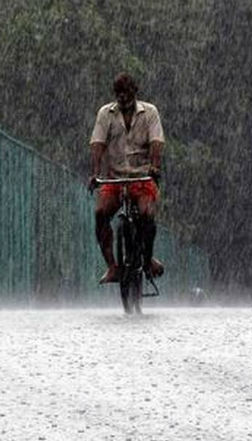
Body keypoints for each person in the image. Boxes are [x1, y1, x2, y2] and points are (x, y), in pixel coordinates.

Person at [88, 72, 165, 284]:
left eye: (127, 93)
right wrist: (95, 173)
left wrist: (155, 167)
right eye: (119, 94)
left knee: (147, 215)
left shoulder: (149, 113)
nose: (122, 98)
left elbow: (156, 142)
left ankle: (147, 259)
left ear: (135, 93)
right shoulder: (106, 114)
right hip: (115, 179)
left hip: (142, 177)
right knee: (100, 214)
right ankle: (113, 266)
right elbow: (97, 144)